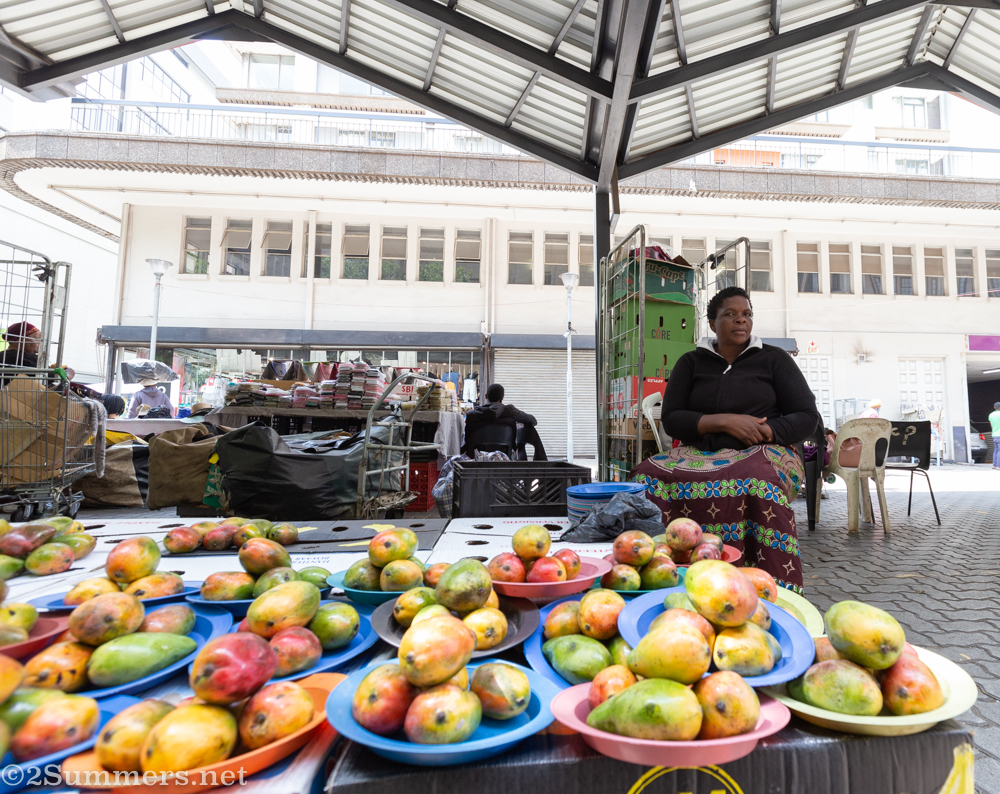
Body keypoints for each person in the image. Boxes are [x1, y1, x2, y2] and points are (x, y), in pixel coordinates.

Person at [630, 287, 822, 593]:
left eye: (747, 314)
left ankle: (767, 584)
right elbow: (673, 418)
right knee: (647, 475)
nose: (741, 320)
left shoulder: (774, 359)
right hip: (698, 451)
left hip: (764, 449)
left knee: (759, 481)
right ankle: (662, 575)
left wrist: (766, 431)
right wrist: (724, 422)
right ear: (712, 322)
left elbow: (807, 416)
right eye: (730, 314)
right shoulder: (690, 363)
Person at [463, 383, 547, 460]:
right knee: (521, 446)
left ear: (486, 396)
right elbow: (533, 421)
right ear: (502, 398)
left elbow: (467, 439)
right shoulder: (510, 411)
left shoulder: (472, 415)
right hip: (505, 456)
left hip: (477, 459)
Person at [991, 402, 1000, 470]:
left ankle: (994, 465)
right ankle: (998, 466)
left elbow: (992, 426)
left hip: (994, 435)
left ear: (994, 407)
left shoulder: (991, 415)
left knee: (996, 450)